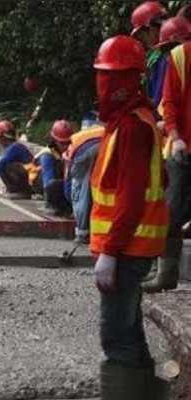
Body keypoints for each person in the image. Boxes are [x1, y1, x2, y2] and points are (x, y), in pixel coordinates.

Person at [91, 35, 169, 399]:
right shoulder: (133, 120)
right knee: (129, 328)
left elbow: (131, 197)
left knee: (116, 335)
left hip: (127, 248)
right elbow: (161, 178)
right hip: (132, 246)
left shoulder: (133, 126)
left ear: (125, 82)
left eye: (108, 77)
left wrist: (110, 250)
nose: (103, 84)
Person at [143, 19, 191, 294]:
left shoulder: (175, 55)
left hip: (178, 146)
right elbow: (169, 100)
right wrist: (175, 135)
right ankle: (166, 274)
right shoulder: (179, 57)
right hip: (181, 148)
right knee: (171, 212)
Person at [63, 124, 104, 244]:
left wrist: (70, 202)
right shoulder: (96, 129)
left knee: (82, 191)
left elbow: (69, 185)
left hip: (86, 152)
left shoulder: (71, 148)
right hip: (108, 146)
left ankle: (83, 233)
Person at [0, 120, 34, 200]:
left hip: (31, 179)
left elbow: (2, 162)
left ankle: (22, 192)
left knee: (6, 166)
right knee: (3, 166)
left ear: (3, 137)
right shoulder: (12, 147)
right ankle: (13, 190)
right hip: (30, 178)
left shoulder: (15, 147)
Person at [29, 120, 74, 216]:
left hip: (57, 180)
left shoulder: (70, 150)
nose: (66, 146)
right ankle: (50, 204)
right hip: (42, 183)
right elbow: (48, 181)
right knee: (53, 184)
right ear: (55, 141)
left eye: (68, 142)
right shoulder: (47, 154)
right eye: (62, 143)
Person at [130, 1, 169, 110]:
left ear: (152, 28)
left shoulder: (166, 56)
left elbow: (158, 99)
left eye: (143, 36)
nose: (144, 41)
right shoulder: (153, 55)